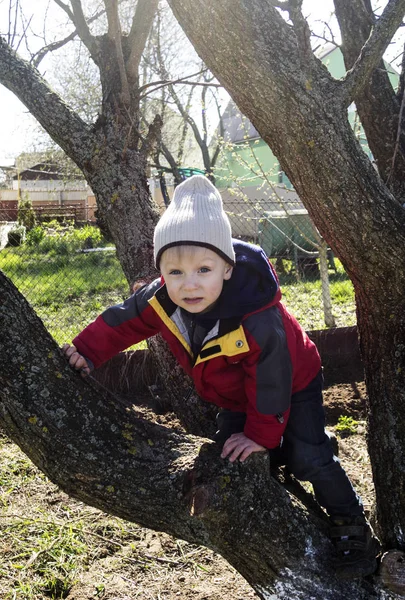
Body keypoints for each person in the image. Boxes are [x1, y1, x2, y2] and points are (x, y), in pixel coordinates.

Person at [62, 175, 380, 579]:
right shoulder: (161, 300)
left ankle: (352, 526)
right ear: (160, 272)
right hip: (234, 395)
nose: (189, 283)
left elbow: (271, 380)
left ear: (227, 269)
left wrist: (262, 435)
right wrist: (86, 351)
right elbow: (121, 323)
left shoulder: (256, 316)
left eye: (203, 269)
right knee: (230, 455)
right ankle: (275, 462)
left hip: (292, 382)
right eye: (174, 271)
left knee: (308, 456)